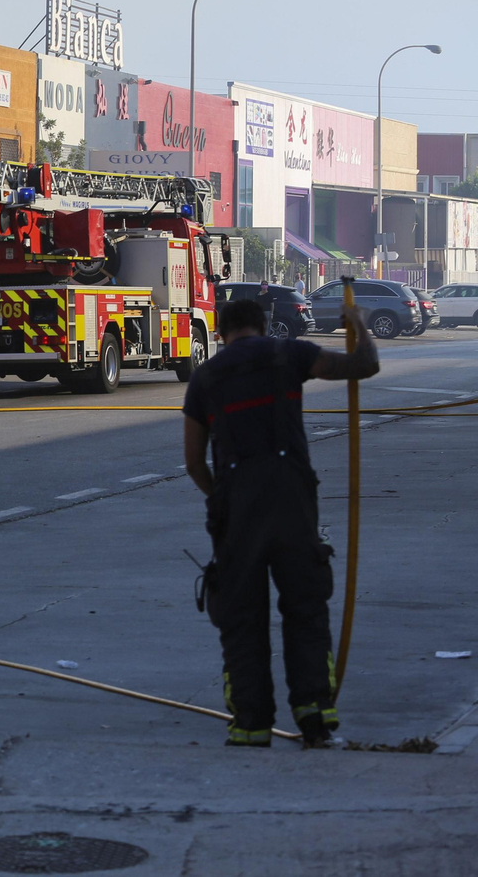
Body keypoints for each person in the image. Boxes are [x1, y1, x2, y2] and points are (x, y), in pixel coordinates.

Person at [182, 296, 379, 748]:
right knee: (306, 610)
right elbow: (364, 365)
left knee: (242, 619)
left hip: (238, 509)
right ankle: (314, 717)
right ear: (263, 324)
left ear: (221, 331)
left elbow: (193, 461)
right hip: (292, 501)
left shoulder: (206, 378)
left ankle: (251, 725)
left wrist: (224, 500)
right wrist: (358, 324)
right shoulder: (290, 355)